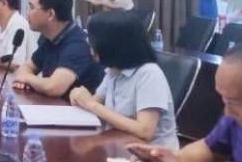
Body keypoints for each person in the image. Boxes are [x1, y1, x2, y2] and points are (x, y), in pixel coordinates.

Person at [69, 12, 179, 149]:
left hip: (152, 155)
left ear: (111, 44)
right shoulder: (114, 70)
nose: (88, 43)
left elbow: (145, 131)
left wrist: (91, 105)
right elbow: (94, 102)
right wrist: (79, 98)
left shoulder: (149, 74)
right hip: (119, 146)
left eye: (92, 40)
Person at [13, 0, 105, 98]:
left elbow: (54, 87)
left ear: (50, 14)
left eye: (31, 8)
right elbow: (27, 67)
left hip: (77, 108)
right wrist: (25, 78)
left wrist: (27, 78)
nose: (27, 13)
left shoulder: (78, 44)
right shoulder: (49, 38)